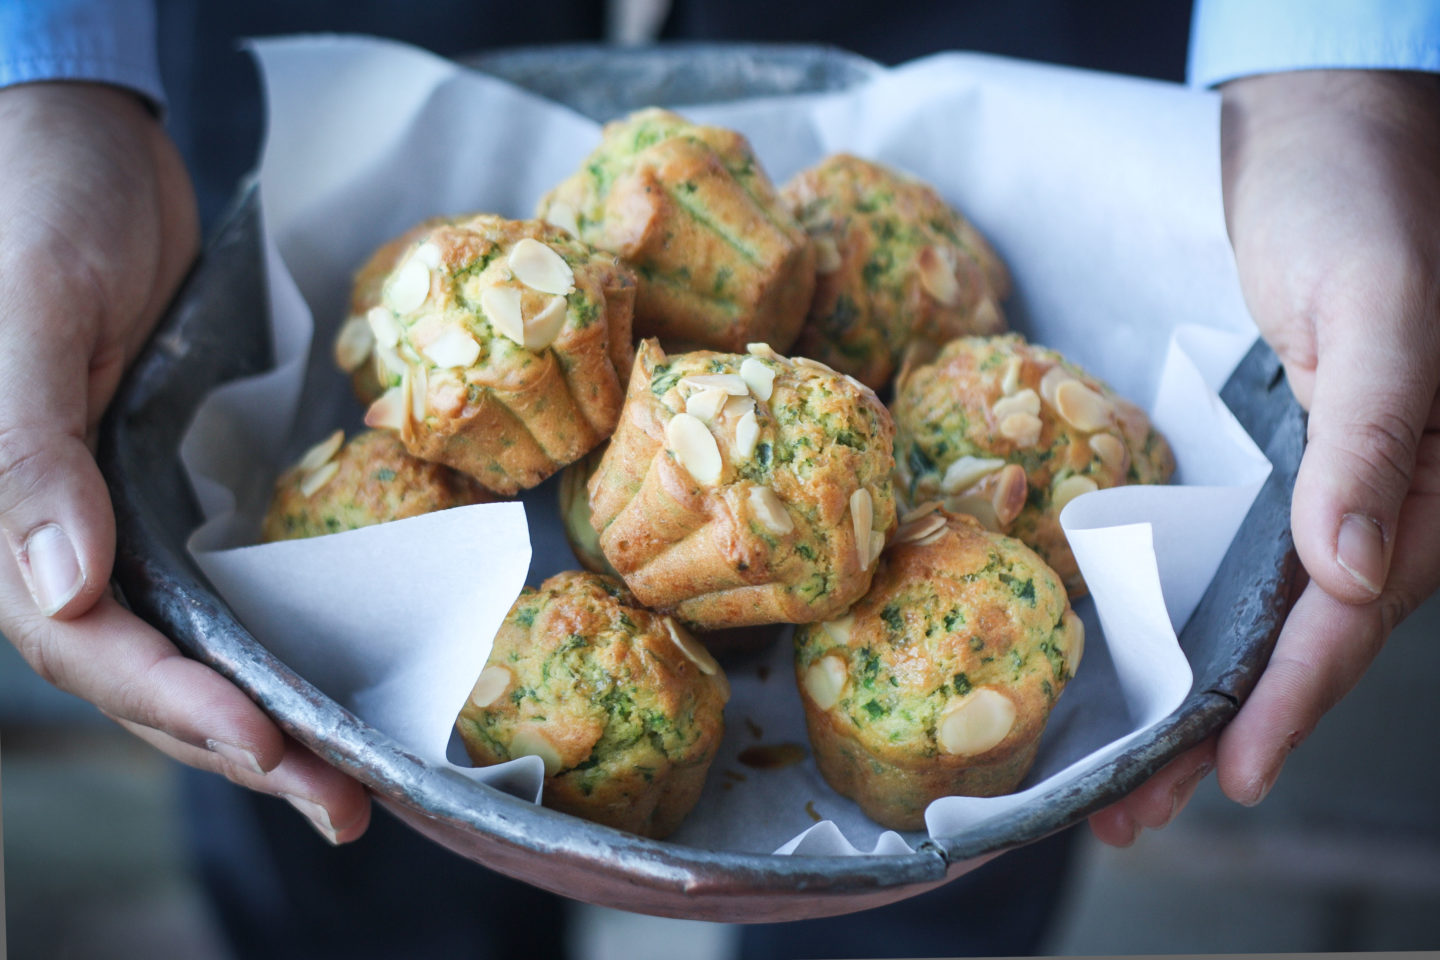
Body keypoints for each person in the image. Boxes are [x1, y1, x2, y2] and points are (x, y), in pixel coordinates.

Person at [0, 0, 1436, 955]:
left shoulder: (879, 411)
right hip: (310, 51)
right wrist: (44, 77)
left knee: (934, 918)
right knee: (336, 863)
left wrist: (1342, 65)